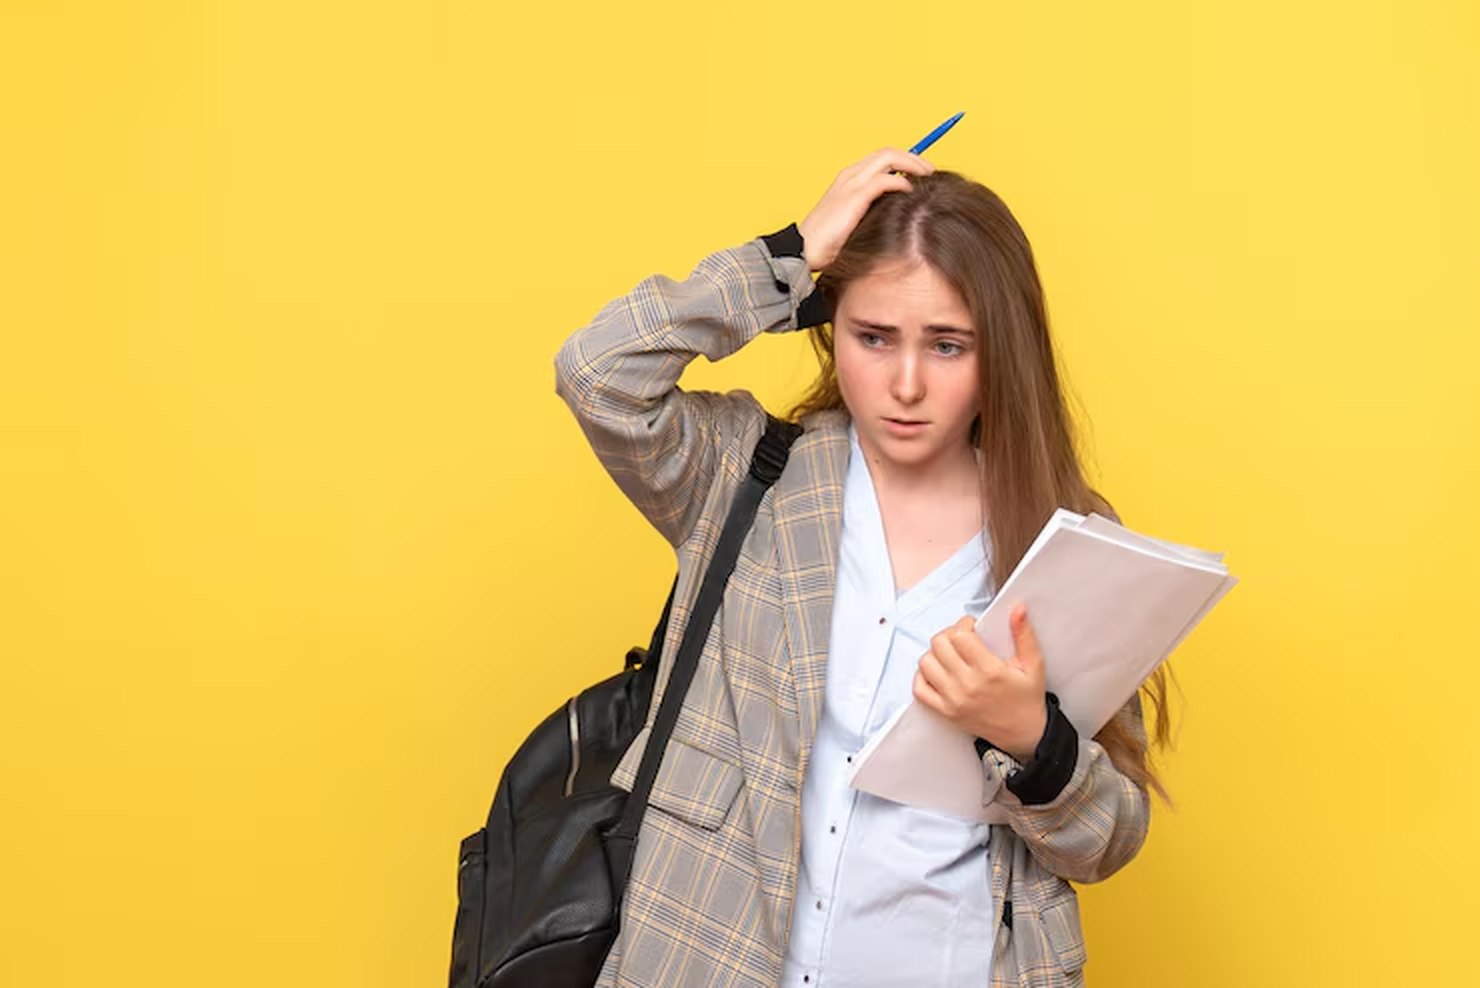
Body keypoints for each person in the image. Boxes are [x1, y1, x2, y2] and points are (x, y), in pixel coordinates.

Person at [554, 148, 1172, 988]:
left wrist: (1035, 739)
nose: (906, 383)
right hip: (708, 958)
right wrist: (791, 255)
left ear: (1003, 354)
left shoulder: (1066, 540)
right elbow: (598, 372)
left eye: (949, 346)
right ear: (829, 323)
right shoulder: (746, 476)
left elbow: (1108, 840)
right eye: (873, 337)